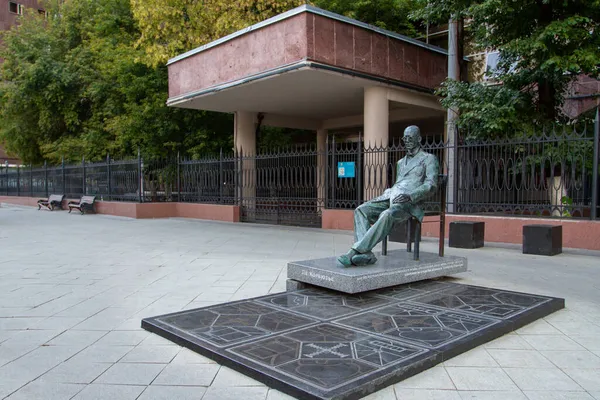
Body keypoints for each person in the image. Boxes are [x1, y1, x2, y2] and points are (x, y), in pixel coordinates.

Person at [337, 125, 439, 267]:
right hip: (392, 196)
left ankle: (354, 252)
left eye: (411, 137)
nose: (407, 140)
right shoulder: (400, 162)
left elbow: (431, 185)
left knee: (387, 214)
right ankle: (366, 254)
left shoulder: (428, 159)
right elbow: (399, 183)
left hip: (410, 203)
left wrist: (410, 196)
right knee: (361, 210)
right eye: (405, 138)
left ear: (419, 139)